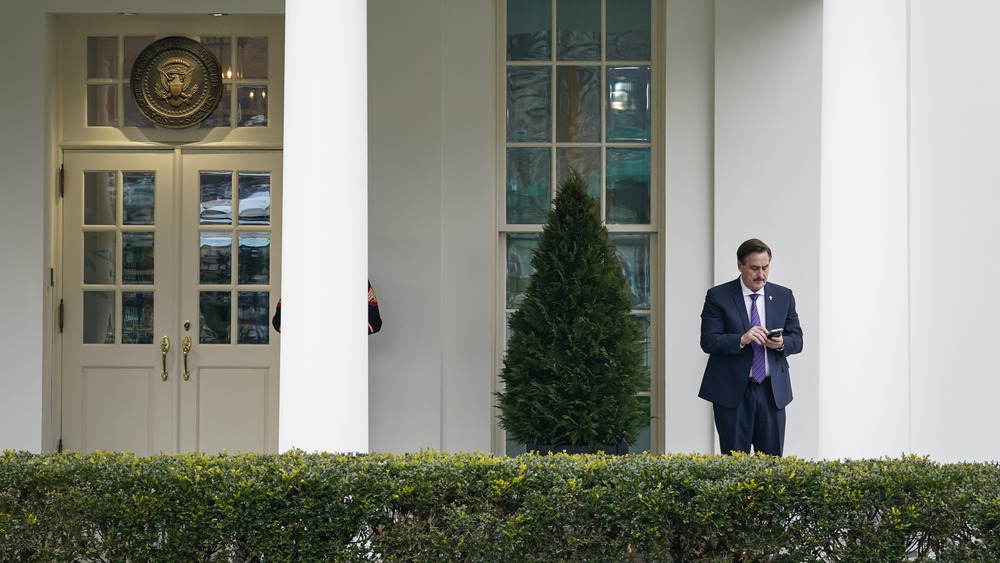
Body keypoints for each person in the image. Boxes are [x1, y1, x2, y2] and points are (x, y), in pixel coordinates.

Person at [698, 238, 803, 456]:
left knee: (772, 465)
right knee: (735, 464)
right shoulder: (718, 296)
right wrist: (742, 339)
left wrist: (782, 343)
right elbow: (708, 340)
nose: (761, 274)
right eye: (754, 268)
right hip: (733, 392)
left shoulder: (784, 296)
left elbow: (798, 339)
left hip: (771, 391)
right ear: (740, 265)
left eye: (765, 268)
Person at [271, 281, 382, 335]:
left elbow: (373, 322)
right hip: (305, 358)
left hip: (345, 359)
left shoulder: (356, 278)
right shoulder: (300, 278)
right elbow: (279, 323)